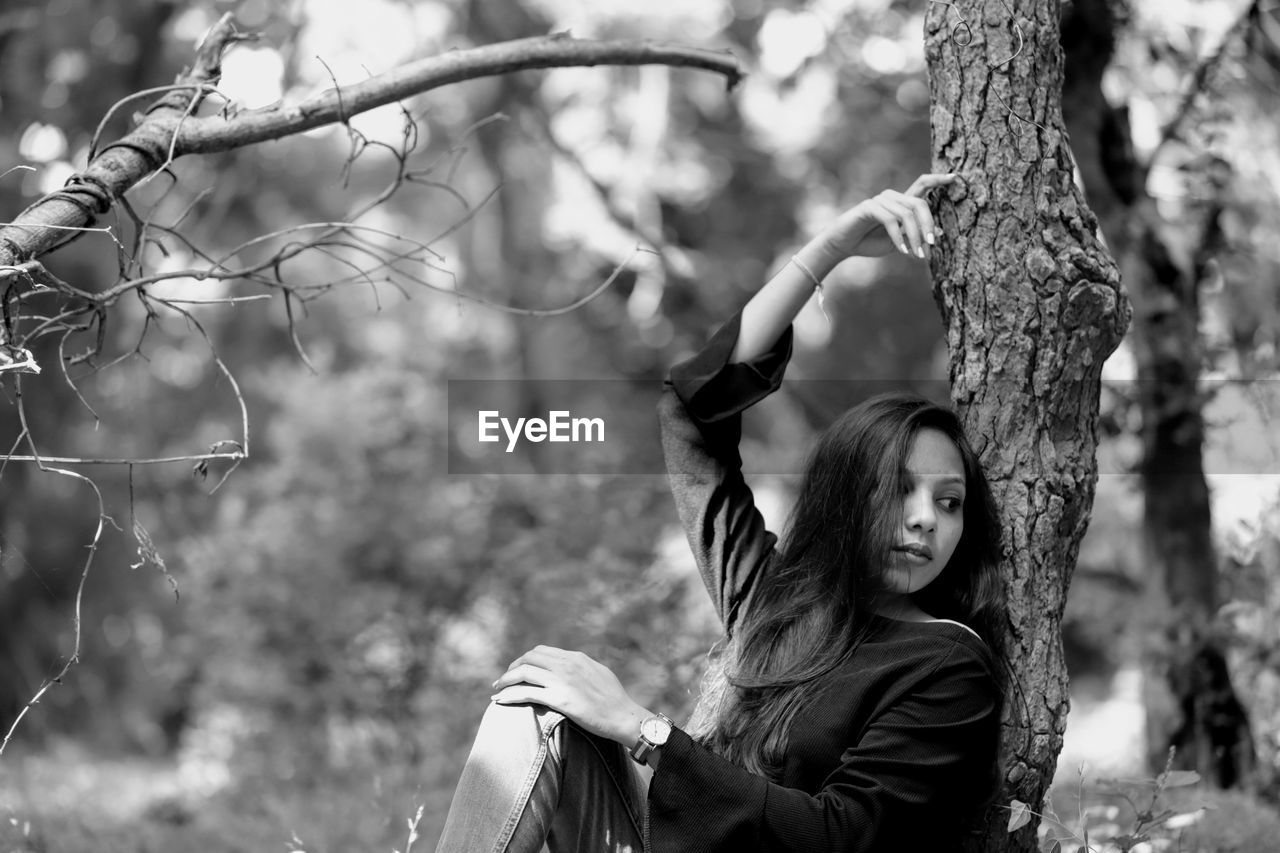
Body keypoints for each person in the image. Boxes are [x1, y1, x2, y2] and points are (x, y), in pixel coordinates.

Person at [434, 173, 1007, 852]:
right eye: (899, 490)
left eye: (949, 502)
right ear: (847, 498)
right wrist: (830, 249)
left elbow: (842, 836)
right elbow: (690, 416)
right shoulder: (777, 605)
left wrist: (642, 729)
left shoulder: (946, 664)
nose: (924, 520)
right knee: (533, 702)